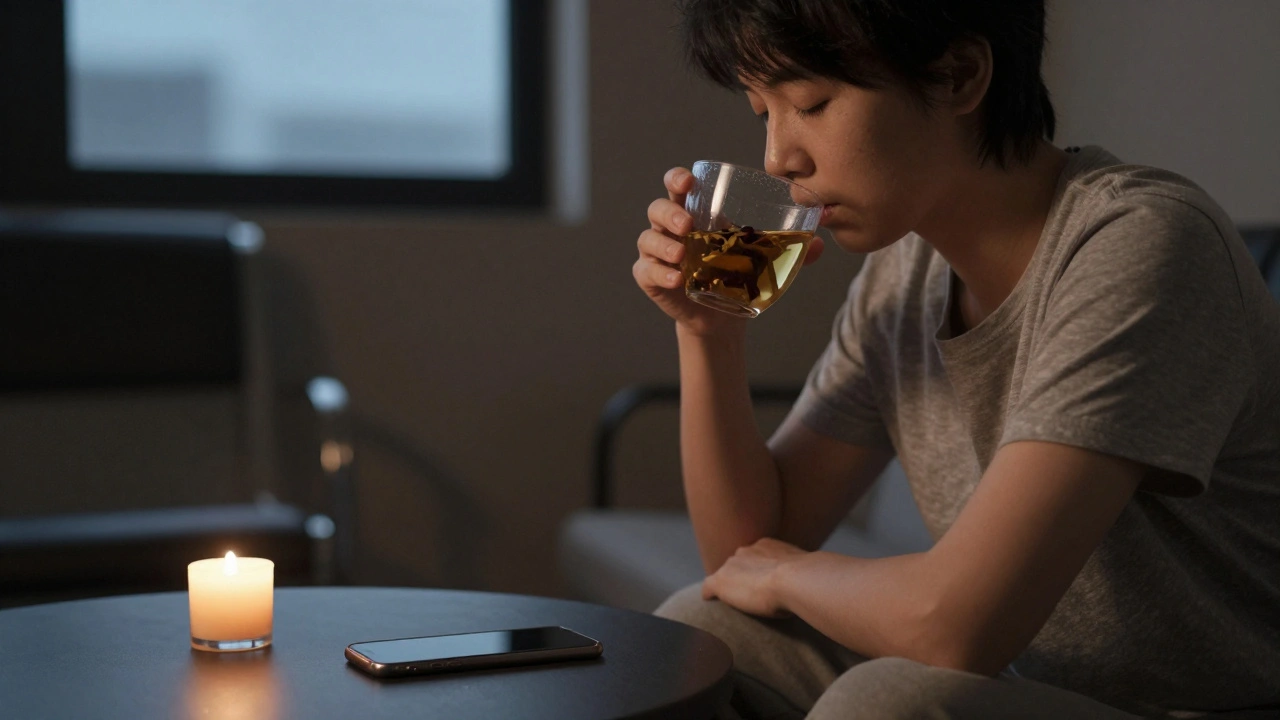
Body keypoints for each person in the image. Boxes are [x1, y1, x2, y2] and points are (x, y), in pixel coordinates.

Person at [631, 1, 1280, 718]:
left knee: (891, 703)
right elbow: (743, 558)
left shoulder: (1142, 244)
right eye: (764, 112)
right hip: (1029, 688)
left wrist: (793, 576)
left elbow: (955, 626)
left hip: (1216, 706)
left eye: (812, 103)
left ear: (959, 76)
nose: (780, 157)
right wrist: (709, 334)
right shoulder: (905, 276)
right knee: (705, 632)